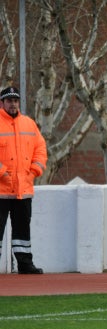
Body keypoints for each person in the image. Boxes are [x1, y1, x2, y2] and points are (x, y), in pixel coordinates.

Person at [0, 86, 48, 274]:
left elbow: (41, 148)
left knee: (22, 229)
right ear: (2, 103)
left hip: (23, 188)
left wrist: (34, 170)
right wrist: (2, 172)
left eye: (16, 100)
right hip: (2, 189)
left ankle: (25, 264)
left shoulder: (29, 123)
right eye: (9, 100)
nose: (13, 103)